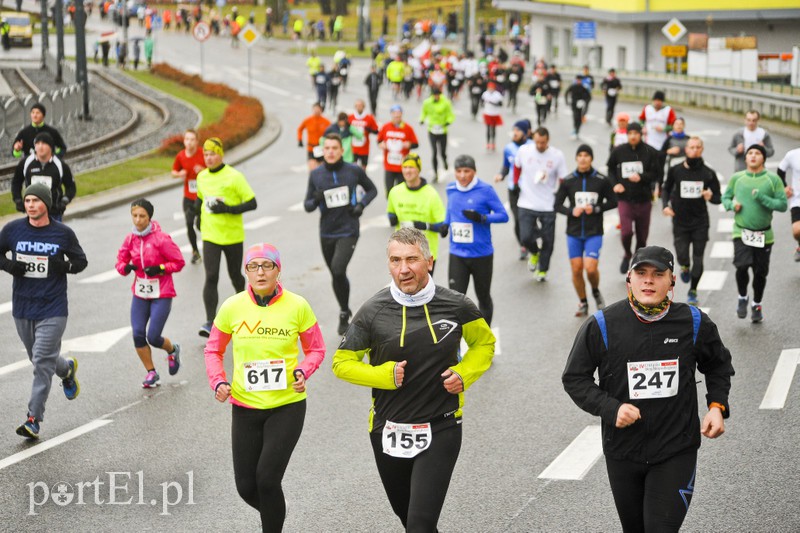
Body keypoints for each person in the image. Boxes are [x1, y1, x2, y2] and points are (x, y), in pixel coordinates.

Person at [332, 228, 495, 532]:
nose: (403, 269)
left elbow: (484, 344)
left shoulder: (457, 305)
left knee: (419, 523)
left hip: (441, 425)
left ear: (429, 261)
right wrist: (383, 375)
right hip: (388, 429)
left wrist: (464, 373)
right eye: (395, 260)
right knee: (410, 520)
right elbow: (342, 363)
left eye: (411, 259)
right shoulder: (372, 311)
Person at [562, 245, 734, 533]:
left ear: (672, 281)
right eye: (641, 273)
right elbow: (574, 378)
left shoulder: (693, 323)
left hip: (675, 449)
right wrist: (611, 408)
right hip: (623, 451)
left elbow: (717, 365)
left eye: (658, 274)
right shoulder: (603, 324)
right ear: (629, 279)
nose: (649, 281)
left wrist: (717, 406)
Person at [205, 243, 326, 533]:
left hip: (286, 406)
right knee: (247, 487)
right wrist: (219, 381)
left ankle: (273, 523)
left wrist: (302, 370)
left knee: (268, 479)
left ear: (278, 271)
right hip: (245, 408)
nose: (260, 272)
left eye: (267, 265)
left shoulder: (297, 306)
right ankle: (275, 511)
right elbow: (213, 351)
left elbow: (317, 349)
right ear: (245, 271)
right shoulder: (232, 307)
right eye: (253, 266)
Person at [0, 184, 87, 439]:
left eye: (35, 200)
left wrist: (62, 266)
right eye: (27, 200)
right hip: (23, 307)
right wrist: (9, 265)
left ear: (46, 204)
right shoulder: (13, 230)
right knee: (40, 359)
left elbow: (81, 261)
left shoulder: (63, 234)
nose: (30, 205)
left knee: (40, 361)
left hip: (53, 307)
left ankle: (33, 419)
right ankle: (67, 369)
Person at [303, 133, 378, 334]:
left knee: (337, 269)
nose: (330, 152)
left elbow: (372, 190)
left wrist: (361, 205)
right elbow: (307, 205)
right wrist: (316, 199)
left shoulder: (353, 171)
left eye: (334, 148)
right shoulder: (316, 174)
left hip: (349, 229)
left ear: (341, 150)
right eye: (326, 148)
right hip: (326, 232)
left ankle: (344, 315)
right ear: (323, 151)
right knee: (336, 275)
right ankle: (344, 308)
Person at [116, 199, 186, 388]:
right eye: (135, 216)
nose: (138, 220)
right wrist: (126, 267)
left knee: (153, 337)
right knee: (138, 334)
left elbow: (179, 262)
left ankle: (172, 350)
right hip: (140, 293)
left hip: (161, 293)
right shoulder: (130, 239)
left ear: (149, 217)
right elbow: (120, 262)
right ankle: (151, 373)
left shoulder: (161, 239)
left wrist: (161, 268)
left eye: (142, 216)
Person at [195, 138, 258, 337]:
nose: (209, 158)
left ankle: (244, 313)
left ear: (221, 154)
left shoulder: (234, 176)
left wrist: (228, 209)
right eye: (205, 154)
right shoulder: (202, 177)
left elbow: (252, 203)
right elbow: (200, 199)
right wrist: (196, 216)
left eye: (212, 154)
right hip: (211, 235)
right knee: (211, 276)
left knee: (235, 276)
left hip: (232, 236)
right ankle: (209, 322)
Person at [721, 144, 787, 322]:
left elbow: (782, 205)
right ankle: (742, 297)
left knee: (760, 273)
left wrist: (762, 198)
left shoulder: (772, 180)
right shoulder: (737, 178)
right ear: (745, 158)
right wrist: (731, 205)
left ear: (763, 158)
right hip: (741, 232)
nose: (753, 156)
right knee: (741, 266)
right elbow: (725, 197)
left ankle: (757, 303)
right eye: (750, 153)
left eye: (757, 153)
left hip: (764, 235)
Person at [445, 155, 509, 325]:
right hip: (457, 253)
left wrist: (482, 218)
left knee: (483, 296)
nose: (462, 175)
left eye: (467, 171)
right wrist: (445, 225)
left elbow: (504, 216)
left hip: (481, 254)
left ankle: (485, 336)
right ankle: (455, 344)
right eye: (458, 171)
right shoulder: (451, 189)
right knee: (455, 301)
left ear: (474, 171)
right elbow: (450, 211)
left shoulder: (486, 190)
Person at [555, 145, 617, 316]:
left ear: (591, 158)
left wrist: (596, 208)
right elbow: (557, 205)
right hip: (574, 232)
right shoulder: (568, 181)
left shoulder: (601, 180)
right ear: (576, 158)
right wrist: (570, 211)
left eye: (586, 155)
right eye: (580, 155)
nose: (583, 158)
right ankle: (583, 301)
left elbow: (613, 201)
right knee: (576, 269)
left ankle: (595, 291)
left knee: (590, 268)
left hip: (594, 231)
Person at [662, 136, 721, 306]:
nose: (694, 150)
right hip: (680, 221)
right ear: (686, 150)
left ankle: (693, 290)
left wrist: (711, 196)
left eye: (698, 147)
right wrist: (665, 205)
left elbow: (718, 197)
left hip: (700, 221)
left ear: (701, 150)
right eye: (691, 147)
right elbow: (666, 189)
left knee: (699, 257)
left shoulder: (708, 172)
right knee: (682, 255)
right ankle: (684, 266)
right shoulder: (676, 170)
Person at [513, 127, 569, 282]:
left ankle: (543, 269)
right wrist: (515, 182)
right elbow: (517, 166)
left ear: (548, 141)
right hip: (526, 201)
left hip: (548, 204)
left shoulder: (557, 156)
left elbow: (563, 179)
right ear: (534, 139)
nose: (540, 145)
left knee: (548, 240)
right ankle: (534, 253)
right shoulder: (524, 150)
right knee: (525, 237)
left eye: (543, 143)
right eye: (537, 142)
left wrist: (559, 197)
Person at [607, 122, 661, 274]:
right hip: (625, 199)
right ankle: (627, 253)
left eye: (636, 133)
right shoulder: (619, 151)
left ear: (641, 134)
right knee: (626, 233)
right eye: (630, 133)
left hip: (644, 199)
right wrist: (615, 184)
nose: (633, 136)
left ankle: (638, 259)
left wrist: (642, 177)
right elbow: (610, 170)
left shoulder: (650, 152)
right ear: (627, 134)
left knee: (642, 237)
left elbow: (656, 174)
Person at [387, 153, 447, 273]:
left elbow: (443, 228)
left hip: (424, 253)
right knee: (403, 290)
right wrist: (391, 217)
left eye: (411, 167)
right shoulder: (395, 192)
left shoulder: (431, 194)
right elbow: (391, 213)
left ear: (418, 169)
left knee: (422, 291)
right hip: (401, 252)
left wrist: (424, 226)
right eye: (405, 167)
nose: (407, 171)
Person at [11, 132, 76, 222]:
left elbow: (71, 186)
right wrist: (18, 200)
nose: (40, 147)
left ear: (50, 147)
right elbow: (16, 183)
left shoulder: (60, 165)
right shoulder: (26, 163)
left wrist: (64, 201)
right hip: (33, 214)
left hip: (54, 214)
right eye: (37, 144)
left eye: (44, 143)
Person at [494, 119, 532, 261]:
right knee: (517, 219)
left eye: (518, 130)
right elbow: (506, 166)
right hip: (513, 189)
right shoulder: (508, 148)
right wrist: (501, 175)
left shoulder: (532, 146)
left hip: (529, 190)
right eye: (514, 130)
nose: (515, 133)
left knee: (529, 219)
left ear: (526, 133)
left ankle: (531, 237)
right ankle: (523, 245)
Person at [171, 129, 206, 264]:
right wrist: (179, 174)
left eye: (192, 139)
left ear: (197, 141)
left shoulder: (203, 154)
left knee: (199, 225)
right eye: (187, 139)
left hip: (202, 197)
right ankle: (195, 251)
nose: (189, 142)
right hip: (188, 197)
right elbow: (173, 172)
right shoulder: (181, 156)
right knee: (189, 223)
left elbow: (213, 169)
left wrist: (203, 170)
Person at [377, 105, 419, 197]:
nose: (397, 117)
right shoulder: (386, 127)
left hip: (402, 166)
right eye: (395, 115)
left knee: (400, 193)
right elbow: (379, 141)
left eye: (398, 115)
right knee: (389, 193)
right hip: (389, 166)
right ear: (391, 115)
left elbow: (416, 144)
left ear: (401, 115)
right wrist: (382, 145)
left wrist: (408, 144)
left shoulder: (408, 128)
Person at [419, 88, 456, 182]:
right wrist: (422, 119)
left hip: (443, 130)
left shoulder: (446, 102)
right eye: (435, 95)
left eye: (438, 95)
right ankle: (435, 173)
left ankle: (445, 161)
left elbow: (450, 114)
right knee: (434, 152)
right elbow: (424, 112)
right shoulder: (427, 102)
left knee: (442, 152)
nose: (436, 97)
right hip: (432, 130)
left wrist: (448, 122)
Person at [777, 146, 800, 261]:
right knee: (797, 231)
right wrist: (784, 187)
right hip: (797, 200)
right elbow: (780, 170)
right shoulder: (793, 155)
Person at [297, 103, 331, 172]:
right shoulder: (308, 120)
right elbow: (299, 129)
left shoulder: (326, 121)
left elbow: (332, 131)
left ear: (321, 110)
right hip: (311, 148)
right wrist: (300, 139)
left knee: (322, 170)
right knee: (312, 170)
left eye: (318, 109)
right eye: (315, 109)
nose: (316, 111)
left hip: (321, 148)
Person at [348, 99, 379, 170]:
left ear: (363, 107)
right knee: (352, 168)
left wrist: (368, 129)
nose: (359, 107)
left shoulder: (369, 118)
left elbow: (376, 131)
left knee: (363, 169)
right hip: (353, 148)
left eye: (360, 105)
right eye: (357, 106)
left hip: (364, 148)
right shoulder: (350, 117)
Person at [564, 74, 591, 140]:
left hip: (580, 105)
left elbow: (589, 97)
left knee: (579, 118)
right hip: (574, 104)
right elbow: (566, 93)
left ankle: (577, 130)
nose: (579, 81)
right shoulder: (573, 86)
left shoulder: (584, 88)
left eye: (580, 80)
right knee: (575, 116)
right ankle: (575, 128)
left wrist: (585, 102)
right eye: (578, 80)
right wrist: (567, 101)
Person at [481, 81, 504, 152]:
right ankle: (488, 143)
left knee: (493, 129)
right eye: (489, 88)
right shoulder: (485, 94)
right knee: (488, 129)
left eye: (491, 88)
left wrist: (493, 103)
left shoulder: (497, 95)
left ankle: (493, 142)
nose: (490, 89)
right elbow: (482, 102)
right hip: (487, 113)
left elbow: (501, 104)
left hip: (495, 114)